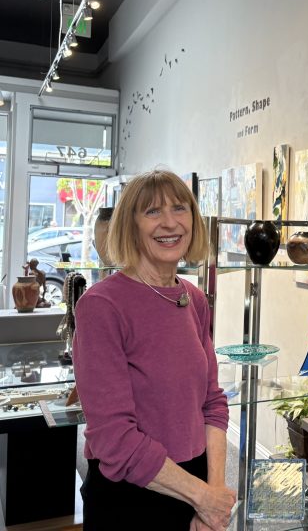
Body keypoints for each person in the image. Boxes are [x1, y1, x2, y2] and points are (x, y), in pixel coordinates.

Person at [73, 170, 236, 531]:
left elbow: (212, 402)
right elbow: (114, 437)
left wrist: (213, 495)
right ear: (130, 225)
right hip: (131, 498)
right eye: (152, 211)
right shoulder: (101, 305)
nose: (170, 223)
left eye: (179, 208)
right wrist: (204, 498)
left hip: (195, 487)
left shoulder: (194, 299)